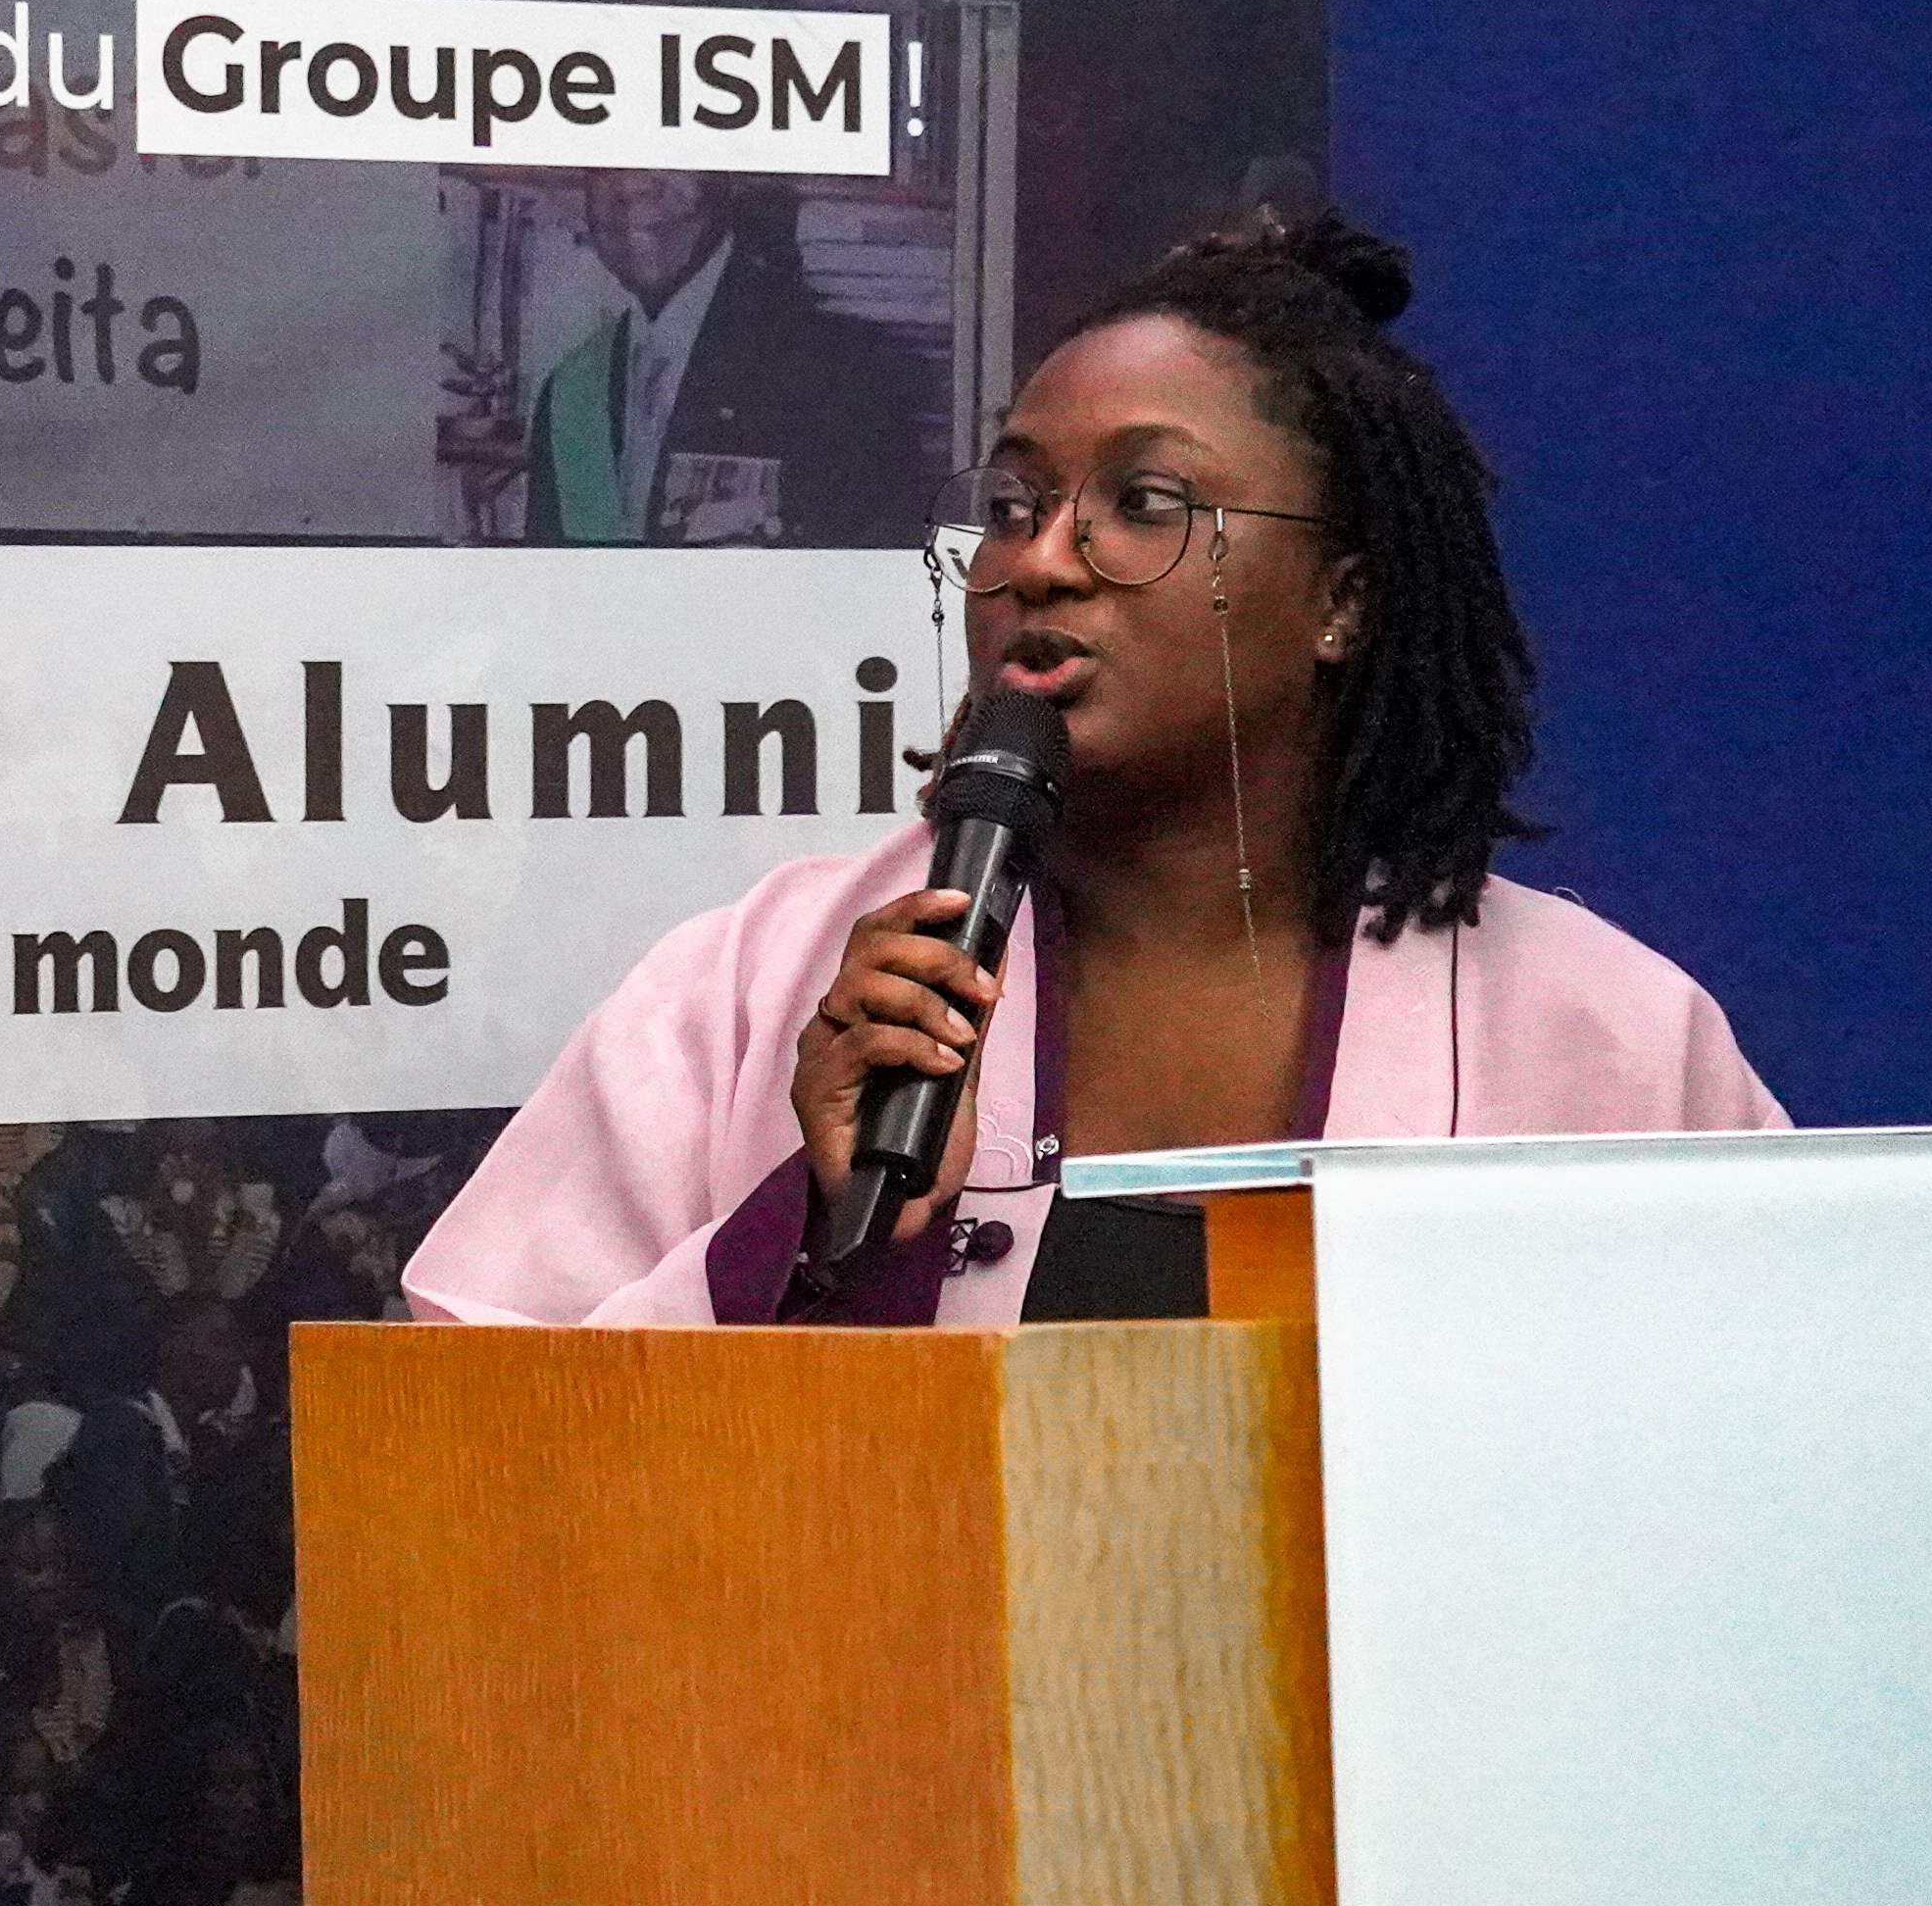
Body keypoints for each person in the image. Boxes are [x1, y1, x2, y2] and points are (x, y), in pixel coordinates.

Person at [404, 207, 1780, 1329]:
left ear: (1342, 600)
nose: (1042, 559)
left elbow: (1777, 1439)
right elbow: (461, 1432)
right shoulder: (754, 986)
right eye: (1014, 503)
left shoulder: (1599, 1035)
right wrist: (812, 1235)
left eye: (1145, 502)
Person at [520, 175, 935, 545]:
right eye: (605, 163)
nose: (631, 186)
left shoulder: (843, 373)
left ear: (728, 178)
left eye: (669, 152)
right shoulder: (570, 389)